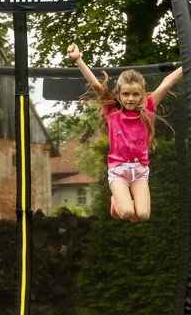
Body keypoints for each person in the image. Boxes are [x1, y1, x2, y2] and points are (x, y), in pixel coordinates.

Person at [67, 43, 184, 223]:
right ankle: (116, 202)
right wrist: (78, 59)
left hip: (140, 171)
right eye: (126, 94)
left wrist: (189, 63)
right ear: (119, 94)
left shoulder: (147, 108)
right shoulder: (112, 110)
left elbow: (166, 84)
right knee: (127, 213)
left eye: (135, 94)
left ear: (142, 94)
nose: (130, 99)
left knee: (143, 215)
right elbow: (95, 84)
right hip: (118, 171)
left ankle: (126, 202)